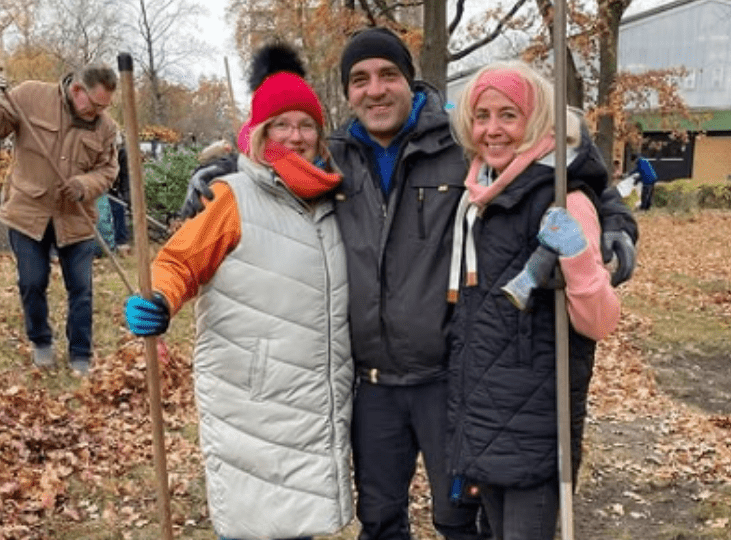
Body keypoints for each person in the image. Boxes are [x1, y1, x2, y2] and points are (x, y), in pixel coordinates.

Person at [178, 27, 638, 540]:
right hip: (372, 383)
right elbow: (272, 161)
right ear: (348, 93)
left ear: (409, 81)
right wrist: (222, 172)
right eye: (360, 80)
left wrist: (615, 224)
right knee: (379, 520)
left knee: (459, 518)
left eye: (387, 75)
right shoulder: (334, 157)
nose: (375, 90)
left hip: (447, 377)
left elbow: (566, 170)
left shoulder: (460, 143)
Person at [124, 43, 353, 540]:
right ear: (261, 132)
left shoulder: (332, 200)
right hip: (253, 399)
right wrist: (160, 298)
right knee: (253, 521)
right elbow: (179, 261)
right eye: (281, 124)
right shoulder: (233, 197)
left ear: (320, 133)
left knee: (298, 520)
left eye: (306, 125)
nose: (295, 136)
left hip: (312, 400)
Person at [445, 61, 621, 540]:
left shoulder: (563, 198)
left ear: (537, 120)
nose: (492, 129)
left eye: (509, 115)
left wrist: (578, 258)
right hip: (485, 418)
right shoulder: (477, 197)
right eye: (482, 116)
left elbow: (600, 321)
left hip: (537, 427)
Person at [0, 64, 119, 374]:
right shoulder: (29, 96)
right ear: (77, 90)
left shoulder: (106, 127)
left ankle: (80, 353)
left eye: (104, 107)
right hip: (29, 211)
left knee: (81, 290)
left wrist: (84, 184)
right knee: (32, 282)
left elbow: (108, 170)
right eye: (95, 105)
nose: (99, 113)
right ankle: (41, 342)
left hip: (76, 218)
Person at [110, 136, 131, 255]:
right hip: (96, 189)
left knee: (119, 207)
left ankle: (121, 241)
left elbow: (125, 177)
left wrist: (127, 197)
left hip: (113, 190)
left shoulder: (122, 155)